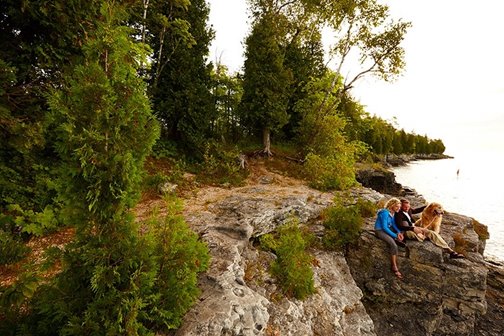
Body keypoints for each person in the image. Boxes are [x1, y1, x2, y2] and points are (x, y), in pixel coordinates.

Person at [395, 199, 464, 259]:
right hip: (406, 231)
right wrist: (413, 228)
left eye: (408, 207)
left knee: (432, 233)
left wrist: (429, 206)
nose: (407, 208)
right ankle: (426, 237)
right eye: (405, 207)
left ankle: (451, 252)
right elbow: (400, 226)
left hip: (414, 228)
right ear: (400, 207)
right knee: (427, 234)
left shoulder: (408, 209)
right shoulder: (399, 214)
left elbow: (415, 210)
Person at [374, 197, 405, 279]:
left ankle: (396, 239)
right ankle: (394, 266)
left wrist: (398, 232)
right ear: (391, 206)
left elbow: (393, 224)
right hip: (380, 230)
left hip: (387, 228)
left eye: (399, 207)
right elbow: (384, 227)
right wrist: (395, 235)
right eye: (396, 207)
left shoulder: (393, 213)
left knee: (401, 232)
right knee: (394, 245)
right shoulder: (384, 213)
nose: (398, 208)